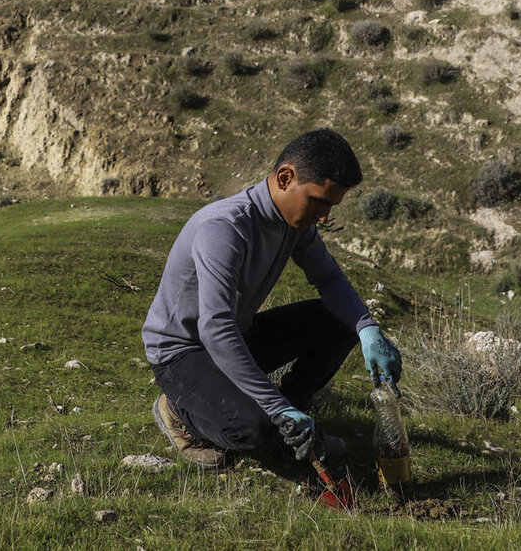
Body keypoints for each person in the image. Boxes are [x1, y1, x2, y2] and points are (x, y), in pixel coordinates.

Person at [141, 129, 403, 469]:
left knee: (342, 319)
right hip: (184, 353)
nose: (324, 216)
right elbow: (215, 328)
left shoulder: (296, 224)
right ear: (285, 178)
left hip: (238, 336)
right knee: (253, 431)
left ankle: (295, 412)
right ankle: (178, 411)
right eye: (319, 201)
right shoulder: (223, 228)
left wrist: (368, 329)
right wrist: (274, 407)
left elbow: (328, 277)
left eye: (331, 205)